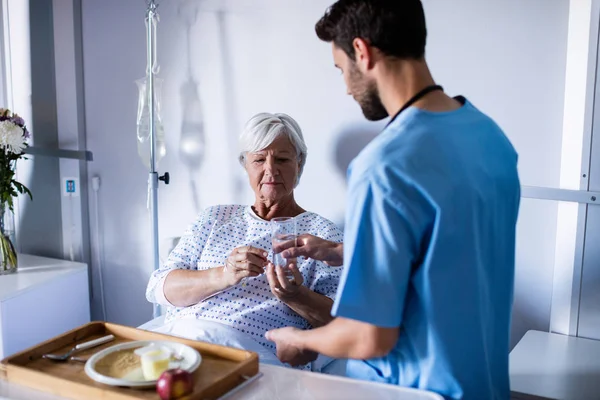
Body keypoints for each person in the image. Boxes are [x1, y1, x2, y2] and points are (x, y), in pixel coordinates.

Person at [265, 0, 521, 398]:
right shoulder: (490, 138)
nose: (346, 87)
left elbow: (370, 337)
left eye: (340, 69)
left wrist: (300, 340)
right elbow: (452, 254)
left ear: (362, 53)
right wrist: (343, 251)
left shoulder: (384, 167)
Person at [146, 112, 343, 368]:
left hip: (251, 358)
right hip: (180, 346)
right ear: (245, 165)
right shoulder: (215, 218)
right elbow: (159, 288)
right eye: (259, 159)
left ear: (299, 163)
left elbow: (344, 323)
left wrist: (295, 296)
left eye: (282, 159)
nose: (270, 170)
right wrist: (223, 275)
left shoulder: (323, 237)